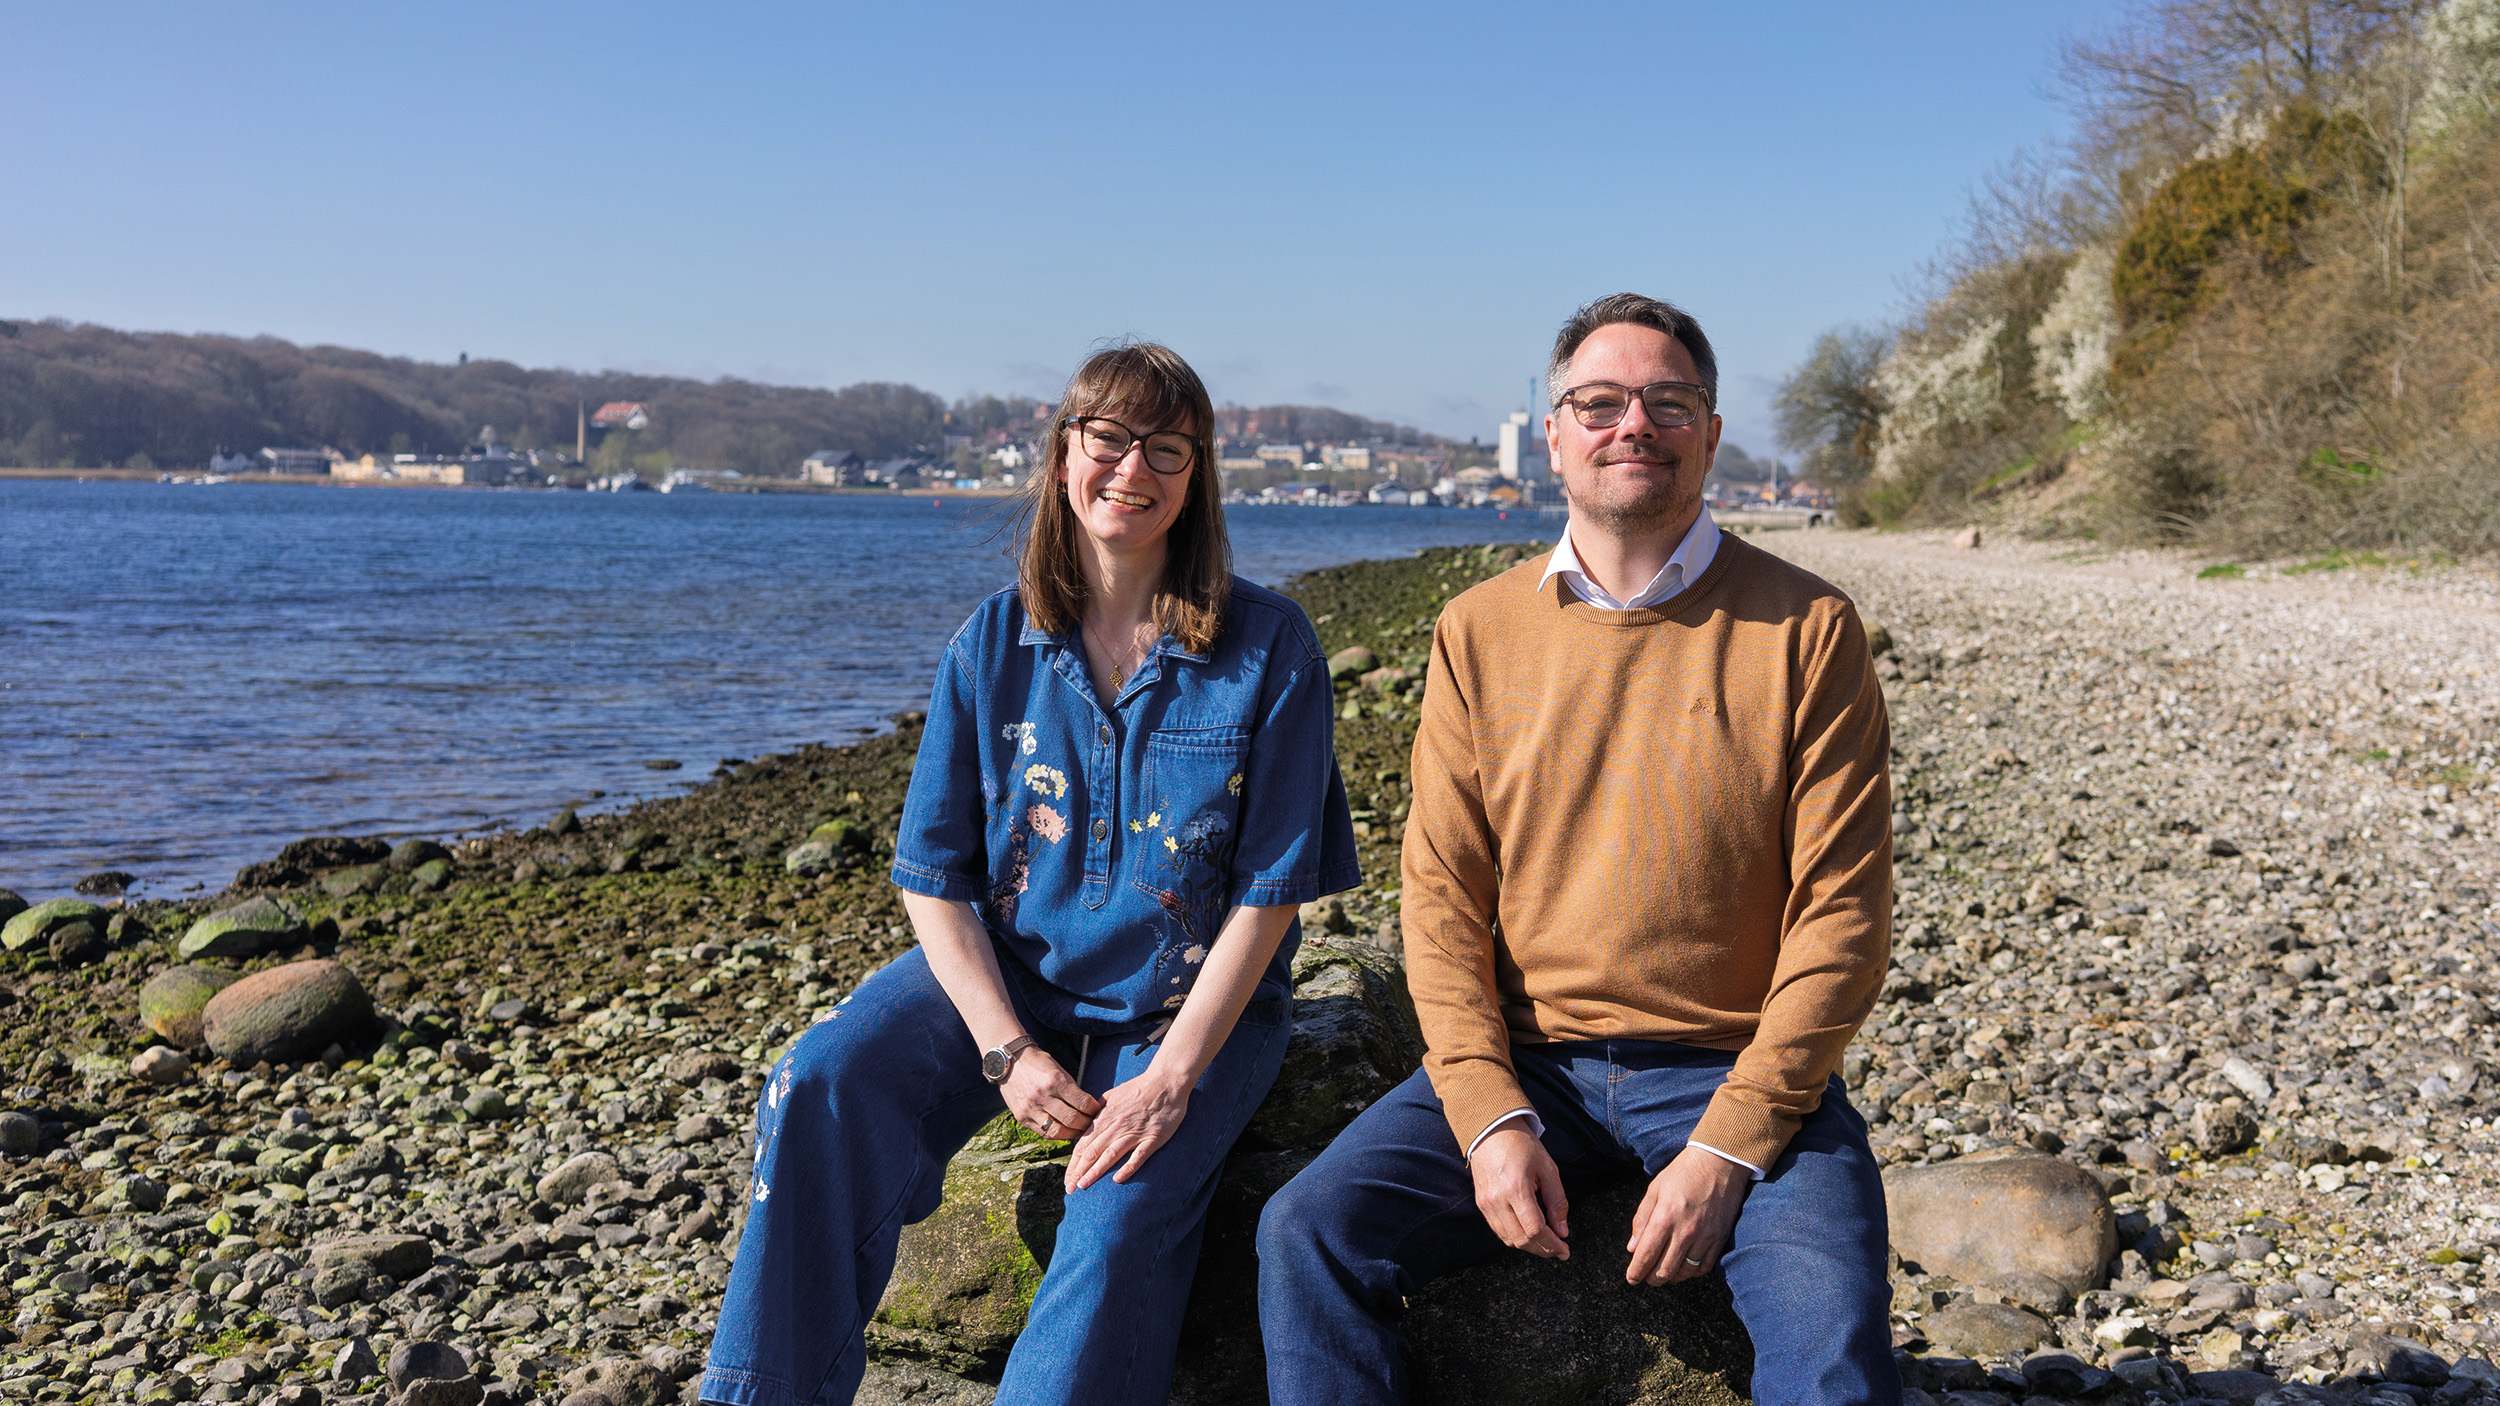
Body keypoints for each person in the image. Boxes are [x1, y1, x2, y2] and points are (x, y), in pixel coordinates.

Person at [1255, 294, 1898, 1405]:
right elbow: (1442, 894)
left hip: (1731, 1063)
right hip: (1531, 1061)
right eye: (1597, 403)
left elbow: (1843, 914)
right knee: (1305, 1232)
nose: (1631, 424)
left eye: (1667, 401)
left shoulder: (1808, 627)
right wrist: (1488, 1113)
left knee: (1833, 1342)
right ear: (1551, 433)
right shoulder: (1476, 630)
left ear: (1709, 427)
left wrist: (1730, 1145)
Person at [701, 342, 1359, 1406]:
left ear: (1196, 477)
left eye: (1166, 447)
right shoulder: (992, 643)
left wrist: (1168, 1081)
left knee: (1112, 1213)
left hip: (1187, 1011)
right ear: (1063, 456)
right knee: (817, 1080)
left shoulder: (1269, 646)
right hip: (1010, 981)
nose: (1131, 469)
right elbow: (933, 875)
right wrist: (1006, 1050)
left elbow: (1272, 890)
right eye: (1107, 438)